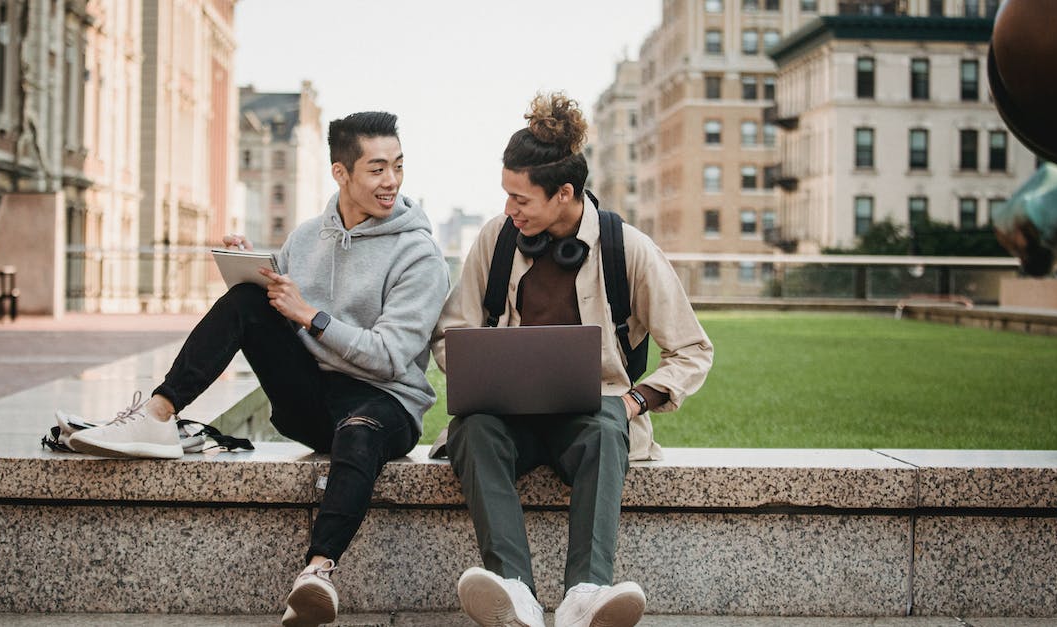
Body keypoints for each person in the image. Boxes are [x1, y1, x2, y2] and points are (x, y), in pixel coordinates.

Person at [62, 112, 450, 627]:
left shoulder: (419, 253)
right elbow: (284, 320)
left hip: (385, 407)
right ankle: (156, 415)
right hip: (312, 403)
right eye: (377, 169)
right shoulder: (308, 237)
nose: (392, 181)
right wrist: (260, 276)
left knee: (359, 431)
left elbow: (388, 357)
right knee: (246, 300)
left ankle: (316, 574)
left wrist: (310, 315)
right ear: (341, 173)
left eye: (398, 167)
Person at [430, 93, 713, 627]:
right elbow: (452, 331)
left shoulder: (629, 249)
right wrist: (476, 373)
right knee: (471, 429)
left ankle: (586, 594)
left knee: (609, 425)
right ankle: (514, 592)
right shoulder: (496, 239)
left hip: (590, 423)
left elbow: (694, 350)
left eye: (521, 200)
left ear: (564, 193)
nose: (510, 209)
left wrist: (635, 400)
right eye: (506, 195)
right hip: (509, 423)